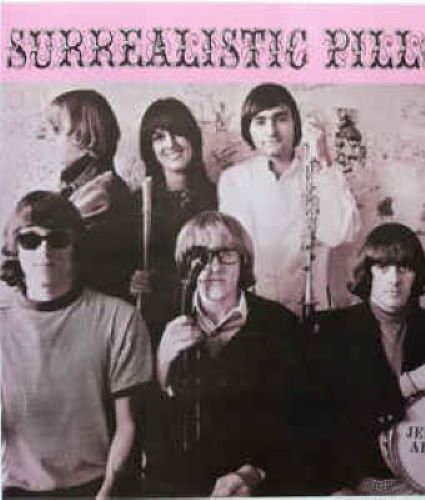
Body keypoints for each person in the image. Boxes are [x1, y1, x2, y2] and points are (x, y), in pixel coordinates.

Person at [303, 222, 425, 493]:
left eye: (404, 268)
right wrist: (414, 382)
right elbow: (327, 421)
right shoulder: (330, 330)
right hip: (356, 476)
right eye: (383, 268)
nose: (394, 280)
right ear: (368, 273)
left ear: (416, 275)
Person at [0, 191, 152, 498]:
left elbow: (129, 424)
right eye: (30, 240)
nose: (44, 251)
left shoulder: (118, 319)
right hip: (17, 490)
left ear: (75, 247)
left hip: (98, 486)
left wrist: (107, 490)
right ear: (15, 249)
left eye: (57, 239)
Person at [144, 211, 302, 496]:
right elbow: (146, 430)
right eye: (200, 256)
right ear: (185, 266)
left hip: (256, 485)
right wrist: (162, 365)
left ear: (243, 262)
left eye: (226, 254)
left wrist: (253, 473)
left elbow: (296, 420)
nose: (214, 266)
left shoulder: (280, 325)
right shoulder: (158, 323)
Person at [218, 83, 360, 315]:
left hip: (310, 310)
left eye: (281, 118)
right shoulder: (234, 180)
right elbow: (235, 252)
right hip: (255, 312)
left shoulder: (320, 173)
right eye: (260, 121)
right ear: (248, 129)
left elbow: (338, 234)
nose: (271, 131)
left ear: (296, 124)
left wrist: (323, 161)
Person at [130, 98, 217, 345]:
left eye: (178, 133)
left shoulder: (219, 198)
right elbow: (119, 265)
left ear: (193, 138)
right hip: (153, 328)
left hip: (205, 323)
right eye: (159, 137)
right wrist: (131, 280)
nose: (170, 144)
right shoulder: (136, 204)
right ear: (150, 148)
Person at [42, 89, 136, 300]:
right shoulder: (78, 185)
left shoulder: (102, 193)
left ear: (84, 137)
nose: (48, 138)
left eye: (56, 130)